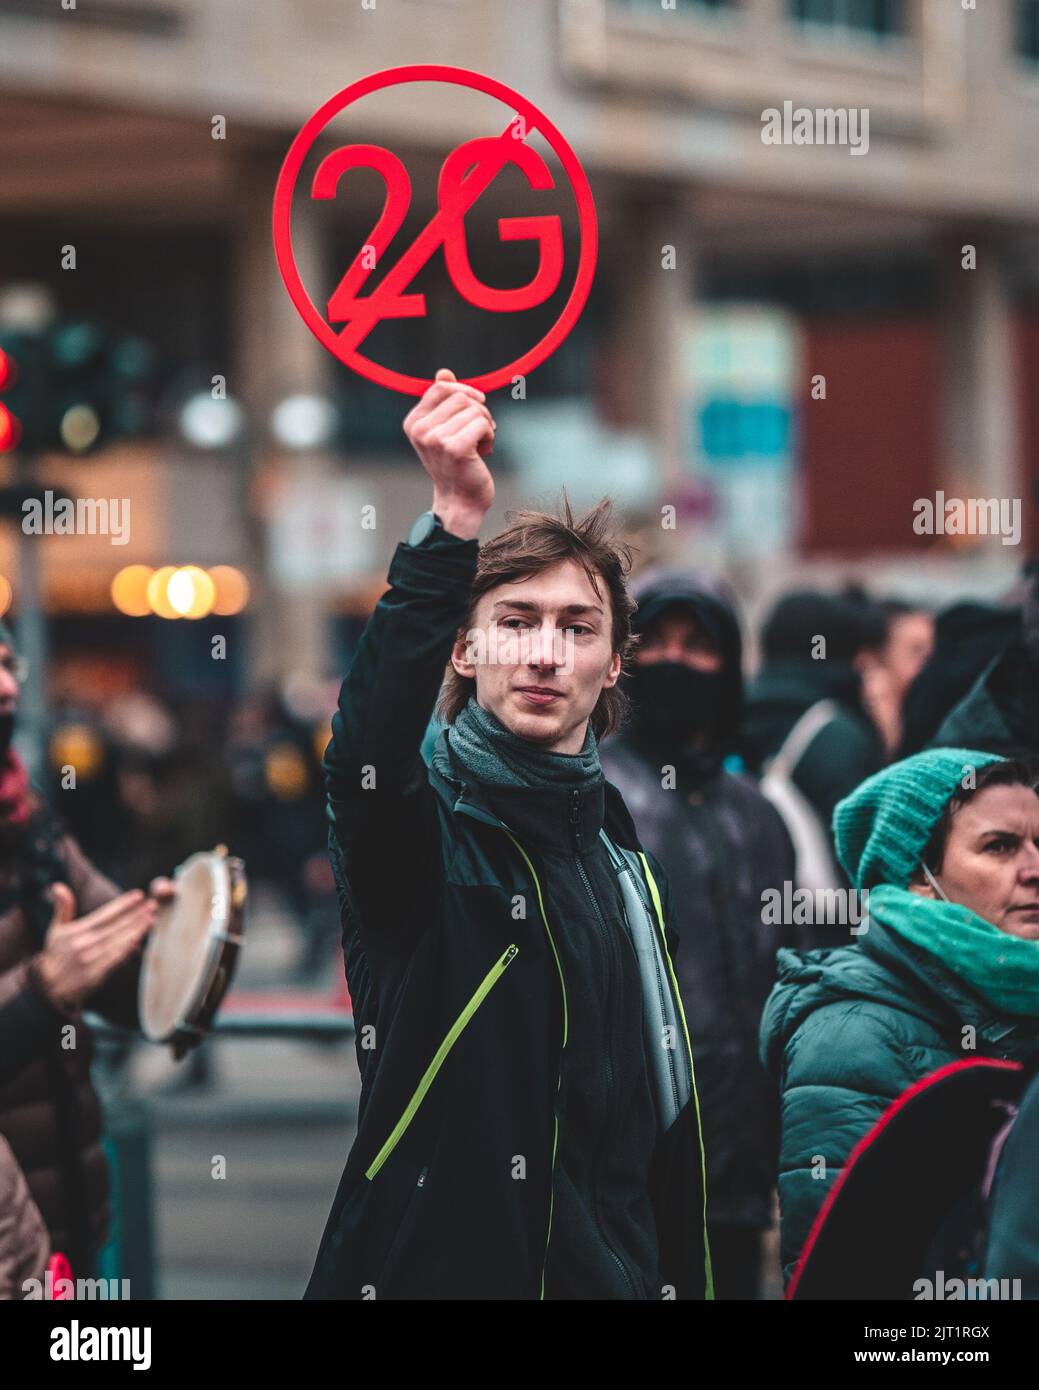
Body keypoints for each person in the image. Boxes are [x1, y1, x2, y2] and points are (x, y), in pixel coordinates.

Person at [305, 370, 712, 1301]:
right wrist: (450, 519)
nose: (543, 652)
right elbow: (362, 750)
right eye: (515, 622)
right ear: (465, 649)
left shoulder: (620, 862)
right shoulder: (424, 836)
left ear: (612, 665)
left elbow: (660, 1121)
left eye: (577, 628)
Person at [760, 749, 1039, 1286]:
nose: (1033, 869)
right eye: (1000, 847)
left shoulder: (1015, 998)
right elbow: (845, 1279)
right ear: (916, 876)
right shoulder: (852, 1034)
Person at [598, 569, 795, 1299]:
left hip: (742, 1169)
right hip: (630, 1179)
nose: (675, 661)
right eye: (655, 641)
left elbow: (790, 965)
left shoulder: (756, 812)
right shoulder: (591, 793)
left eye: (699, 645)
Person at [0, 622, 176, 1276]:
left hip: (71, 1226)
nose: (8, 686)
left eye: (9, 663)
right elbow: (54, 986)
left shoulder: (30, 820)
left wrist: (171, 940)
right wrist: (41, 993)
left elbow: (139, 991)